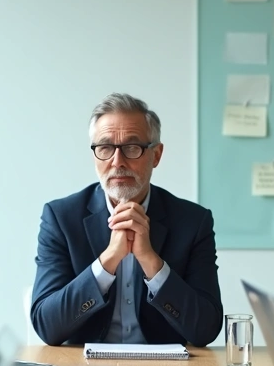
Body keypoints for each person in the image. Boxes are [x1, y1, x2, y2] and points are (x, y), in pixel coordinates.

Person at [31, 93, 223, 346]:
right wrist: (108, 260)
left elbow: (206, 329)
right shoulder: (61, 218)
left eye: (132, 148)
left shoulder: (193, 222)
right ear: (94, 155)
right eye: (105, 148)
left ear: (156, 155)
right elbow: (47, 326)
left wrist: (151, 262)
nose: (117, 162)